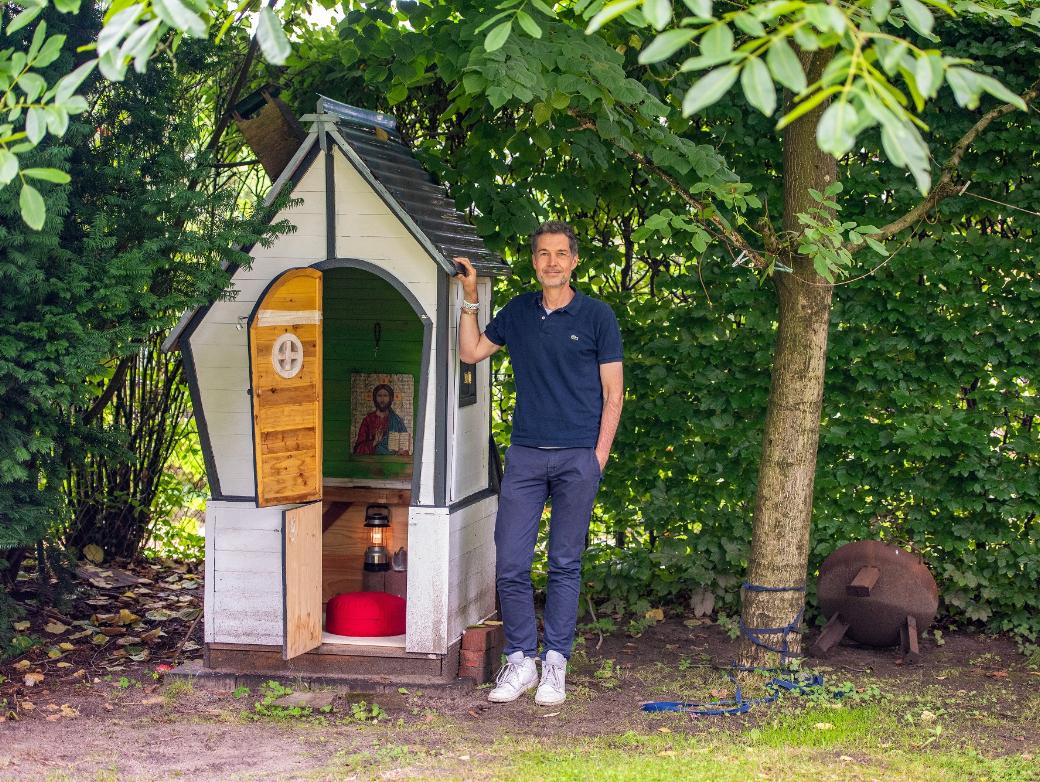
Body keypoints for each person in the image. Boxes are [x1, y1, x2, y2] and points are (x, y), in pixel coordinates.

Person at [455, 220, 623, 706]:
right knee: (509, 562)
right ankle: (522, 660)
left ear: (573, 262)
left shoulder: (597, 316)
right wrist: (470, 296)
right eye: (543, 254)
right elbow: (471, 352)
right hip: (526, 455)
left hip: (577, 457)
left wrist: (597, 457)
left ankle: (555, 664)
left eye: (561, 254)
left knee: (564, 564)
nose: (552, 262)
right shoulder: (518, 313)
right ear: (535, 262)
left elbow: (614, 393)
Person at [352, 383, 409, 455]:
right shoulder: (368, 420)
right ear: (375, 398)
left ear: (390, 398)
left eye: (385, 396)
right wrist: (374, 442)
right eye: (379, 396)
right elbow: (357, 450)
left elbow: (405, 448)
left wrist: (402, 452)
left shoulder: (397, 421)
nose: (382, 399)